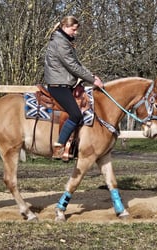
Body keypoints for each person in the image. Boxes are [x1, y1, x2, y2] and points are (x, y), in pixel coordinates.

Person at [44, 16, 104, 159]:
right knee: (76, 114)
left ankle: (75, 146)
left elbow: (77, 64)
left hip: (64, 83)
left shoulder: (64, 41)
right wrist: (92, 80)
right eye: (74, 29)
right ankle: (59, 146)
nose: (75, 33)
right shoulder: (60, 43)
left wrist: (92, 76)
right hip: (58, 85)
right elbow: (72, 66)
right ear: (65, 26)